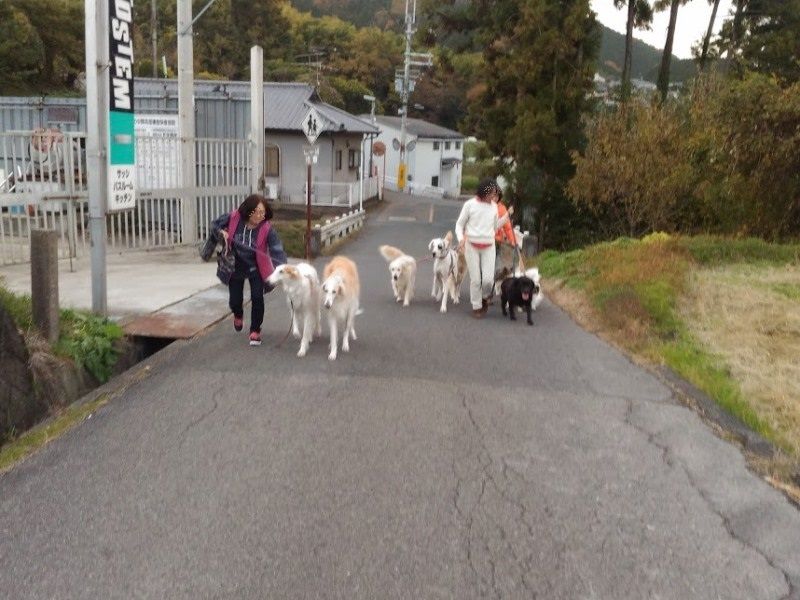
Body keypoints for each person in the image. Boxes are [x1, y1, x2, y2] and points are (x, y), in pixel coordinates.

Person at [212, 194, 287, 346]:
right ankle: (238, 314)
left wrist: (283, 268)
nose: (260, 216)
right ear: (248, 210)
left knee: (257, 297)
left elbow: (276, 249)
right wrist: (221, 232)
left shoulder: (266, 228)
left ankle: (255, 330)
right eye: (257, 212)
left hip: (256, 267)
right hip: (235, 266)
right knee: (235, 301)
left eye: (262, 212)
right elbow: (215, 225)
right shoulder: (234, 218)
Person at [455, 177, 511, 318]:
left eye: (495, 194)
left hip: (489, 246)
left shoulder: (493, 207)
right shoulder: (469, 205)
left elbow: (494, 227)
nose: (494, 197)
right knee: (475, 279)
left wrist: (506, 217)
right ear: (484, 192)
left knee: (487, 280)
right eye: (492, 193)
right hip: (471, 246)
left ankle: (485, 297)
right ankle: (476, 306)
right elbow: (459, 225)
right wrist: (461, 239)